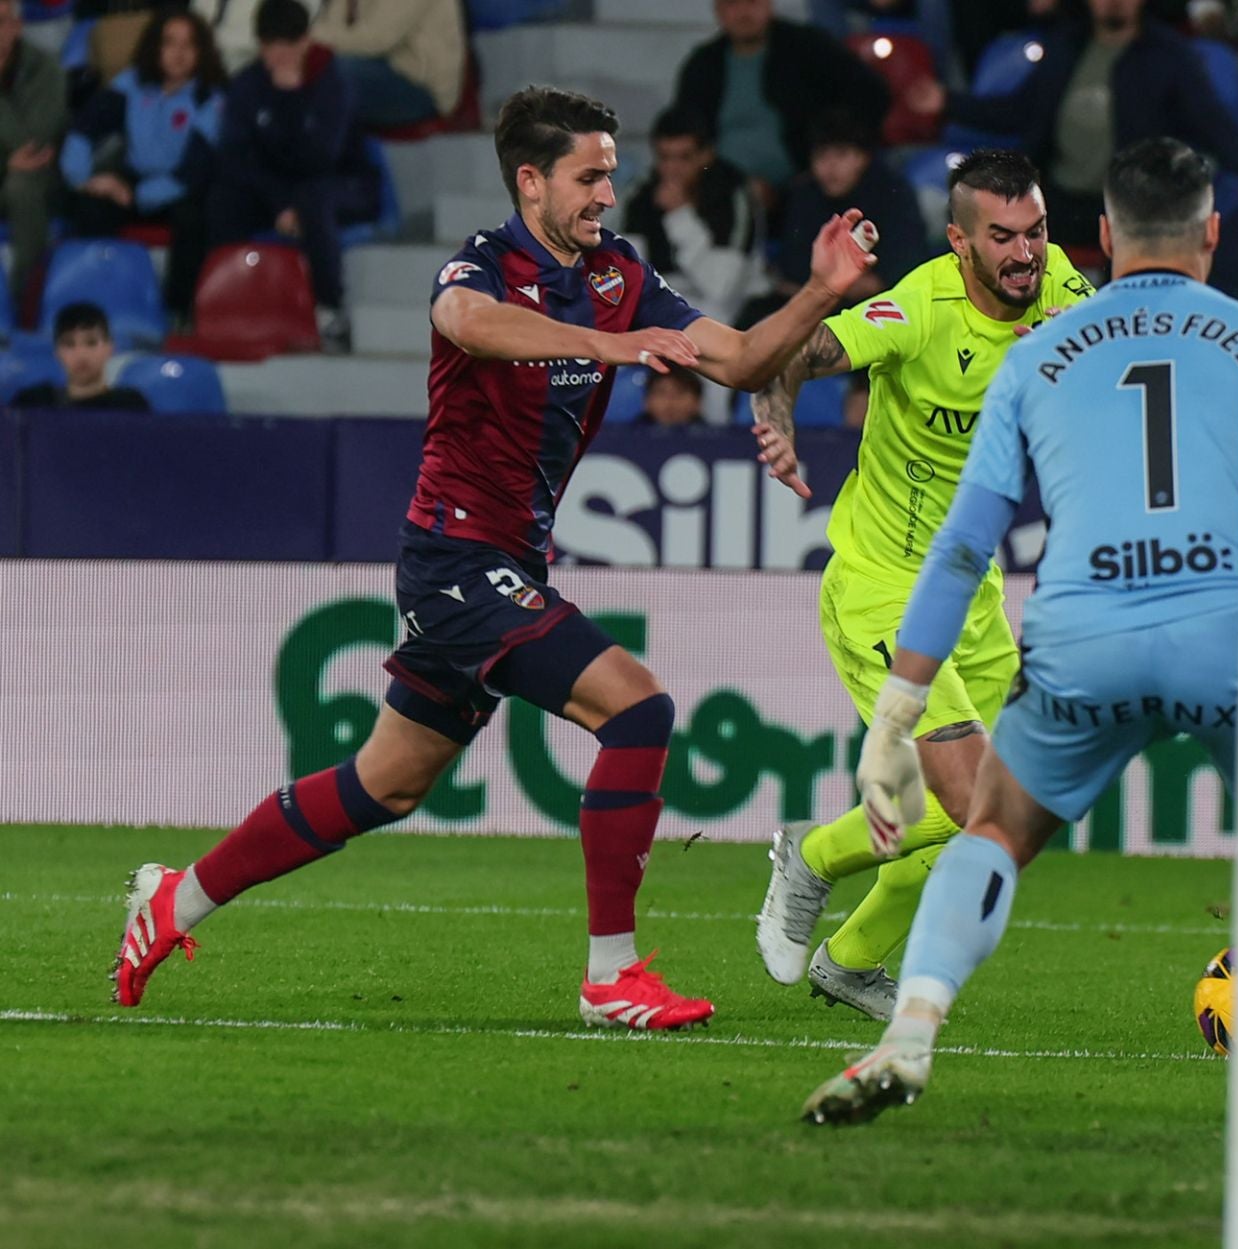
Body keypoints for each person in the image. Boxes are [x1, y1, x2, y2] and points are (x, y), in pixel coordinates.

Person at [112, 84, 880, 1031]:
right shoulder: (484, 265)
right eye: (589, 176)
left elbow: (743, 359)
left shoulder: (620, 274)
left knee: (383, 784)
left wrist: (819, 291)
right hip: (456, 555)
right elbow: (469, 326)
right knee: (638, 709)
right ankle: (612, 976)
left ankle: (173, 900)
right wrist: (612, 344)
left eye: (611, 173)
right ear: (532, 180)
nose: (608, 192)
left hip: (507, 559)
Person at [795, 139, 1238, 1141]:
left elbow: (960, 549)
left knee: (992, 833)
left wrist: (895, 715)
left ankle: (909, 1032)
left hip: (1085, 636)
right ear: (1211, 232)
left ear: (1104, 238)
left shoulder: (1036, 353)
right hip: (1229, 637)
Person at [750, 149, 1095, 1021]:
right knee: (975, 795)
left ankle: (851, 960)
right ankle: (813, 856)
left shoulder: (1060, 287)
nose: (1026, 254)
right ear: (959, 241)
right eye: (1003, 238)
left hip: (973, 595)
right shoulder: (919, 306)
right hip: (883, 587)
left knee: (1006, 816)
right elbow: (806, 350)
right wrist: (778, 411)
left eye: (1037, 232)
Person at [922, 0, 1238, 250]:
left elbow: (1214, 126)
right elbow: (1021, 110)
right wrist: (949, 102)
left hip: (1133, 211)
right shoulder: (1067, 46)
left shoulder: (1168, 57)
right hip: (1055, 201)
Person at [206, 0, 364, 351]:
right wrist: (280, 204)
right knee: (224, 200)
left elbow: (324, 157)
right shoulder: (248, 84)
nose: (280, 59)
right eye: (272, 49)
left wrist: (289, 99)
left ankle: (330, 309)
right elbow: (235, 156)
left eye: (289, 48)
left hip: (341, 183)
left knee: (314, 200)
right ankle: (224, 298)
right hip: (275, 191)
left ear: (305, 41)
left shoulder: (331, 80)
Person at [63, 8, 226, 325]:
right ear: (156, 47)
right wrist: (84, 180)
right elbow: (83, 130)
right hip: (134, 178)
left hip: (181, 188)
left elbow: (193, 172)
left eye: (189, 45)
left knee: (194, 218)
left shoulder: (211, 100)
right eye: (170, 43)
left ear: (201, 51)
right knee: (91, 206)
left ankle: (179, 312)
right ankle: (102, 304)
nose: (178, 53)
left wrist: (136, 195)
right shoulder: (131, 84)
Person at [623, 105, 765, 421]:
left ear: (706, 155)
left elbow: (722, 287)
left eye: (683, 157)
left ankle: (712, 432)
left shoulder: (732, 191)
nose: (672, 169)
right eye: (664, 157)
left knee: (713, 335)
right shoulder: (642, 193)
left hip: (729, 304)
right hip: (662, 297)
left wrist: (679, 216)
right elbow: (629, 273)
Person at [670, 0, 890, 200]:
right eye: (733, 4)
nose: (744, 12)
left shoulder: (808, 46)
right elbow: (684, 131)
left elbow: (870, 94)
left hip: (803, 184)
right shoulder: (702, 65)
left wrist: (825, 156)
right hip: (720, 189)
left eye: (752, 3)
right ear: (718, 11)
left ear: (769, 5)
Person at [776, 110, 926, 305]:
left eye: (841, 154)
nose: (830, 167)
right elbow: (791, 265)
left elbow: (907, 257)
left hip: (885, 304)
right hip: (818, 304)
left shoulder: (892, 191)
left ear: (863, 158)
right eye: (821, 156)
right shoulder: (804, 194)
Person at [0, 0, 65, 316]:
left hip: (38, 175)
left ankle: (20, 300)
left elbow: (33, 142)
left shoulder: (46, 69)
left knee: (21, 185)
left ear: (16, 26)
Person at [308, 0, 464, 130]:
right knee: (310, 67)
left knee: (335, 73)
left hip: (420, 89)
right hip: (376, 68)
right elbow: (333, 32)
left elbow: (375, 40)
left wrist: (300, 35)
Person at [11, 301, 151, 410]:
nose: (81, 354)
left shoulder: (130, 406)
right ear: (57, 352)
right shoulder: (33, 403)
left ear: (110, 348)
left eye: (91, 343)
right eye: (69, 344)